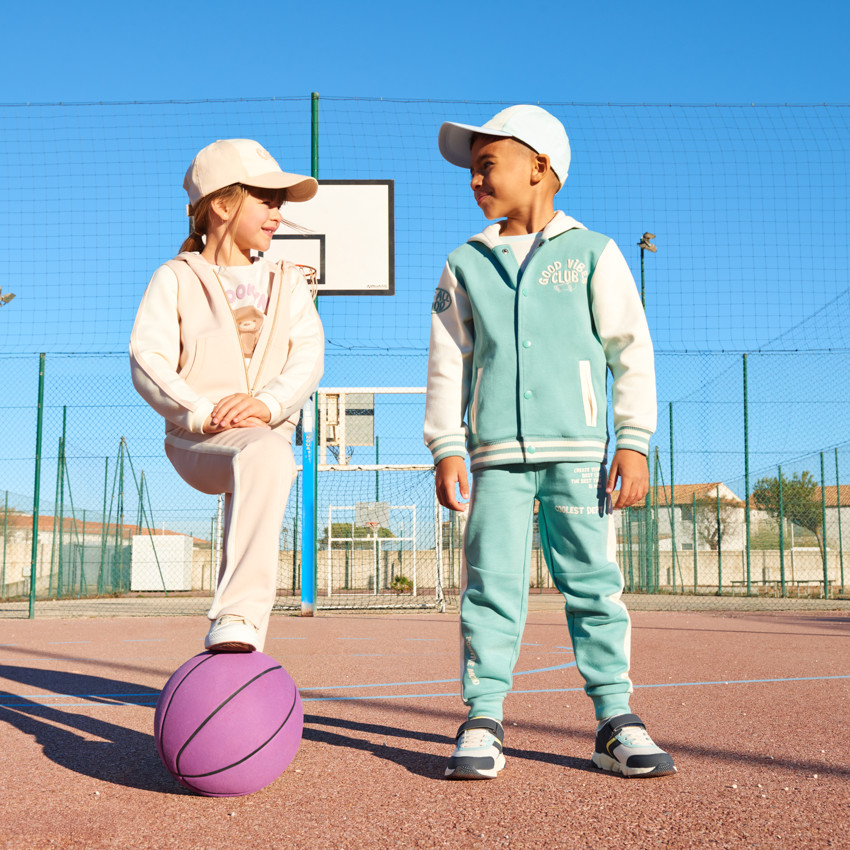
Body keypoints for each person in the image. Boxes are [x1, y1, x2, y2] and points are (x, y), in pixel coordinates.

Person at [424, 105, 676, 780]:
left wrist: (633, 440)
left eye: (486, 164)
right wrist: (447, 444)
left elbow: (631, 350)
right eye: (471, 170)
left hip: (579, 457)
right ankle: (483, 718)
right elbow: (448, 362)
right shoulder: (464, 263)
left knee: (593, 583)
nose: (474, 180)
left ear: (540, 166)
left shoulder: (594, 252)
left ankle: (615, 718)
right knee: (490, 588)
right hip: (495, 461)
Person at [130, 139, 323, 653]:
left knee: (267, 452)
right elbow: (147, 358)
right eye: (266, 200)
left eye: (280, 204)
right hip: (197, 439)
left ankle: (237, 623)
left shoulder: (288, 282)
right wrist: (200, 410)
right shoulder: (175, 277)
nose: (277, 214)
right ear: (220, 204)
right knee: (263, 452)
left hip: (264, 435)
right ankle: (238, 612)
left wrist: (269, 405)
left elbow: (308, 356)